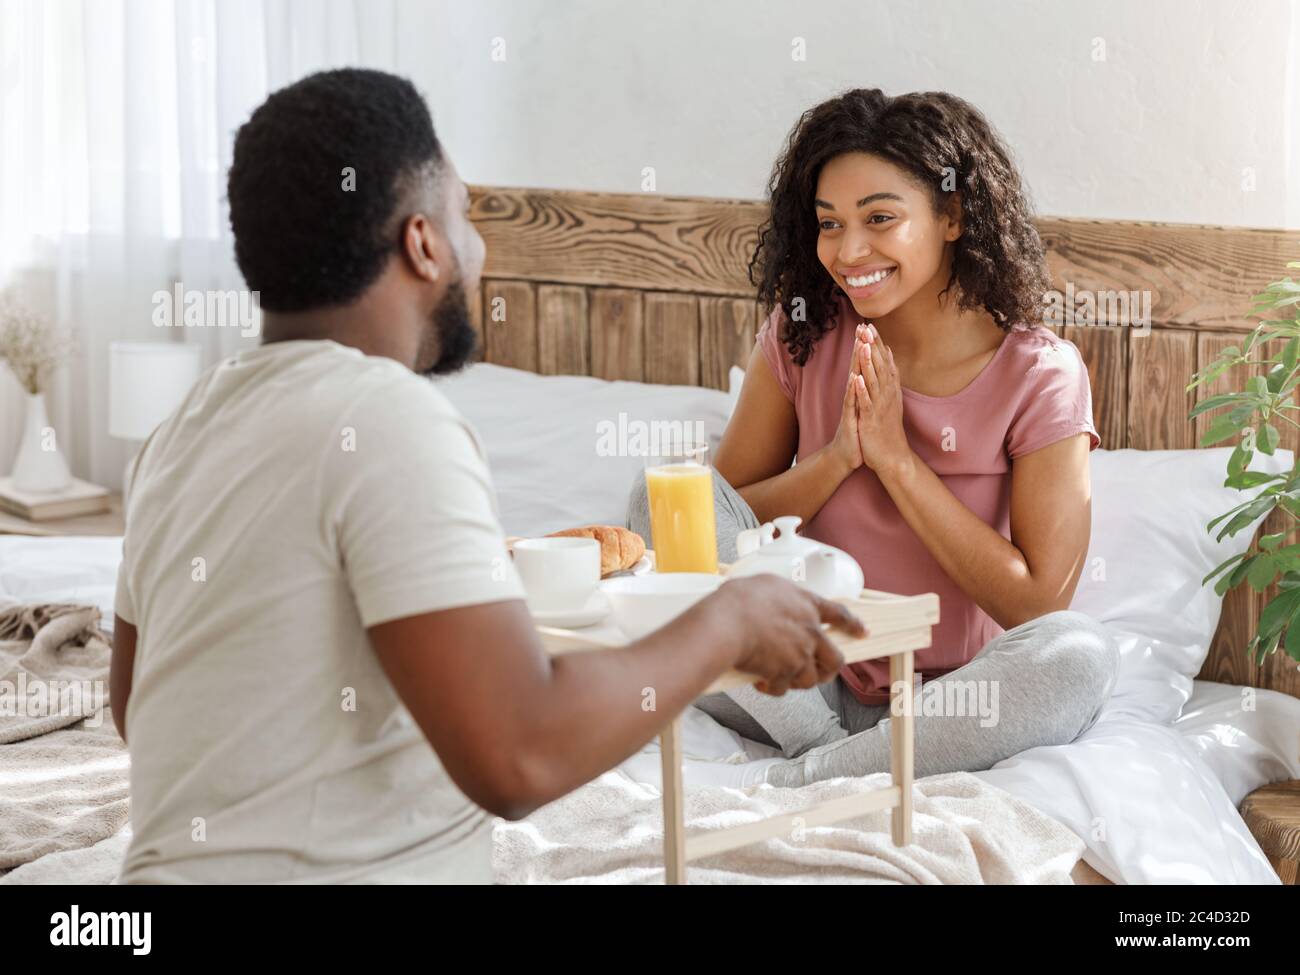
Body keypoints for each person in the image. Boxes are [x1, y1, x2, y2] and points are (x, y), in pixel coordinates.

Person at [108, 68, 865, 884]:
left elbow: (136, 705)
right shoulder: (393, 419)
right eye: (468, 215)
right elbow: (520, 753)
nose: (481, 248)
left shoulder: (181, 428)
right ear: (424, 241)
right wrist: (729, 620)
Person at [629, 89, 1119, 787]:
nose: (848, 250)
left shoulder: (1039, 374)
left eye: (880, 218)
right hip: (790, 687)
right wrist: (837, 460)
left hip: (952, 701)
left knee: (1079, 654)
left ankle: (820, 772)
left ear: (952, 215)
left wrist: (896, 461)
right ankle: (833, 756)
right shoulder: (804, 336)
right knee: (665, 498)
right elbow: (723, 520)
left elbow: (1036, 603)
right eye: (829, 224)